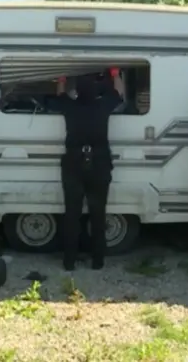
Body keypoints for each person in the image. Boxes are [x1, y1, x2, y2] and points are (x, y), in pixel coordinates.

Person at [55, 69, 125, 271]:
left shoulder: (69, 106)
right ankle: (98, 261)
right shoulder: (103, 105)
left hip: (73, 163)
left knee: (72, 214)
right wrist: (115, 73)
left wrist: (60, 78)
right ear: (96, 91)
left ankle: (69, 262)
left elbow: (59, 95)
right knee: (98, 212)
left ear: (76, 91)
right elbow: (119, 93)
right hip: (99, 163)